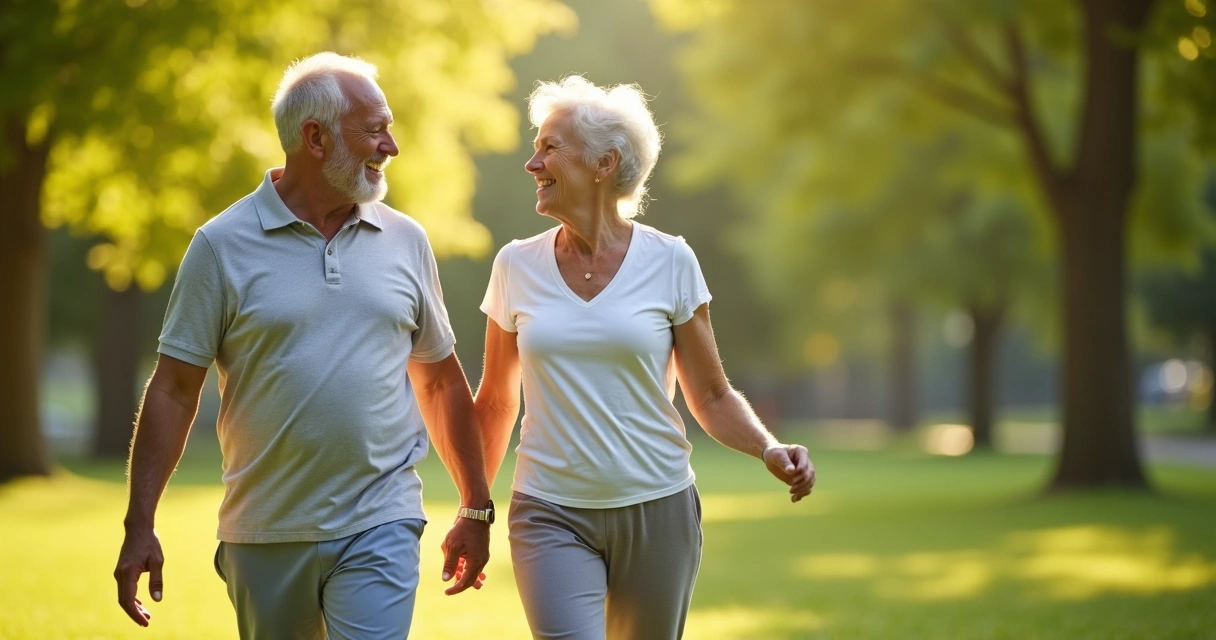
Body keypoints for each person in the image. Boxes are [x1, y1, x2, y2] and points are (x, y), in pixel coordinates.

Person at [112, 52, 495, 639]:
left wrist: (474, 505)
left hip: (382, 517)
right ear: (314, 138)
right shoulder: (220, 246)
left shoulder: (406, 240)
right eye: (374, 130)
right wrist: (140, 524)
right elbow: (173, 387)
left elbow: (440, 380)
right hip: (264, 530)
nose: (390, 146)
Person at [473, 75, 817, 640]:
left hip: (657, 509)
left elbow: (710, 395)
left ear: (604, 163)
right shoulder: (515, 265)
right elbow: (495, 401)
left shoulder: (671, 261)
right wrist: (473, 510)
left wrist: (768, 447)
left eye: (549, 148)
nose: (532, 164)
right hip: (550, 510)